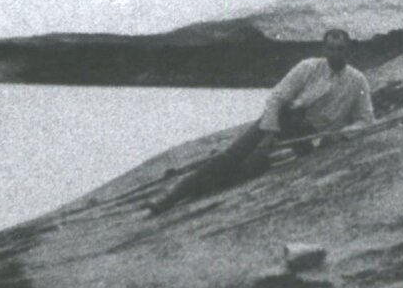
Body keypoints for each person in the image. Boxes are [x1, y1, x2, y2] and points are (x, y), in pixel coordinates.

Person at [147, 28, 373, 213]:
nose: (335, 54)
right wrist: (270, 131)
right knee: (231, 156)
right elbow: (277, 98)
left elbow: (366, 120)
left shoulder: (357, 81)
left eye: (340, 49)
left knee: (249, 169)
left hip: (307, 139)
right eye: (331, 48)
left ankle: (192, 194)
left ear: (348, 50)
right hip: (281, 121)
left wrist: (341, 134)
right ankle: (170, 197)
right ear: (324, 48)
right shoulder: (308, 68)